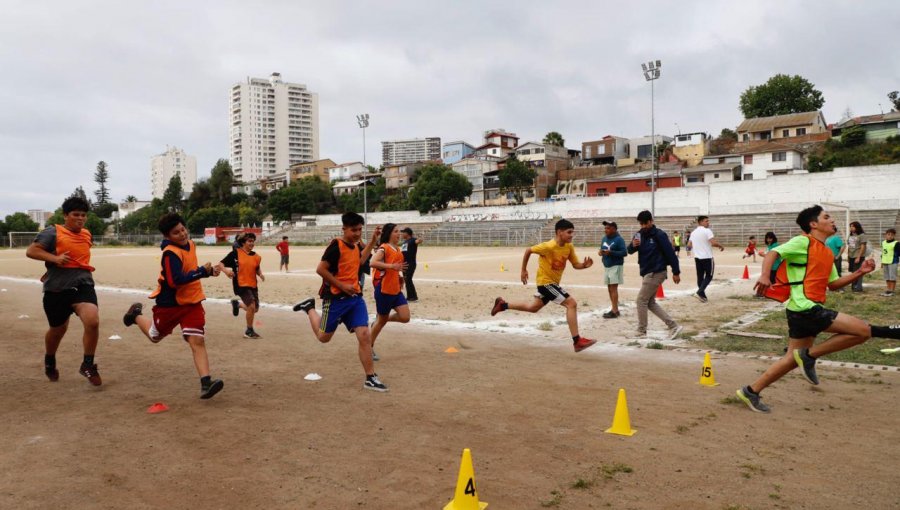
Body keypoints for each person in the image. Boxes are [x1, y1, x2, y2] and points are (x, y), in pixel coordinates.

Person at [737, 205, 900, 413]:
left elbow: (833, 284)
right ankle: (810, 356)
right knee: (862, 331)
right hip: (805, 308)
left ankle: (751, 391)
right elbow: (774, 253)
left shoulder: (825, 252)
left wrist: (859, 272)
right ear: (814, 224)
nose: (832, 220)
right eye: (827, 217)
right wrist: (765, 275)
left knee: (790, 359)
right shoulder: (803, 241)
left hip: (804, 310)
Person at [122, 213, 224, 399]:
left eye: (183, 229)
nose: (182, 234)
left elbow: (189, 271)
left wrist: (208, 272)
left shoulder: (191, 244)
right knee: (154, 336)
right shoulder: (170, 254)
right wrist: (202, 272)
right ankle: (135, 315)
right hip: (170, 304)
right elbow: (174, 281)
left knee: (197, 340)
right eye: (176, 233)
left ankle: (206, 383)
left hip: (192, 302)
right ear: (167, 236)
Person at [292, 213, 387, 392]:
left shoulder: (356, 244)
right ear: (344, 229)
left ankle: (370, 377)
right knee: (323, 338)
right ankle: (309, 308)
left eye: (360, 230)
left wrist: (373, 240)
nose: (357, 233)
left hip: (355, 299)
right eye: (353, 230)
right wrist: (342, 285)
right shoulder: (336, 246)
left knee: (365, 335)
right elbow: (320, 269)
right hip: (335, 299)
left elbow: (360, 261)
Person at [25, 196, 102, 386]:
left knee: (92, 321)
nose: (80, 218)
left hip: (83, 284)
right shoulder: (52, 232)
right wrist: (55, 258)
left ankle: (88, 365)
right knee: (58, 330)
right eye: (76, 214)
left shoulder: (86, 234)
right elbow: (31, 251)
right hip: (56, 289)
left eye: (84, 215)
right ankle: (50, 360)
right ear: (65, 215)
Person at [491, 219, 597, 352]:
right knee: (571, 304)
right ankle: (577, 341)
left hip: (552, 284)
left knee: (533, 307)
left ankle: (502, 305)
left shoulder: (569, 247)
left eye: (572, 232)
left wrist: (584, 265)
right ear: (559, 232)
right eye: (569, 232)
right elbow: (528, 250)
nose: (571, 235)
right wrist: (523, 270)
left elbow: (576, 265)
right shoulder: (548, 246)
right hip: (545, 283)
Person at [627, 210, 683, 340]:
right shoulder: (639, 235)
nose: (643, 226)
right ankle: (673, 326)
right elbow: (629, 251)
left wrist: (676, 272)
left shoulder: (659, 235)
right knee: (650, 302)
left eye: (645, 223)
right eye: (641, 224)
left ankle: (642, 330)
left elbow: (670, 253)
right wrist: (632, 245)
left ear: (651, 221)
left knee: (641, 300)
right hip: (646, 272)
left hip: (657, 271)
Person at [368, 223, 410, 361]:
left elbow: (397, 268)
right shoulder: (384, 248)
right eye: (396, 231)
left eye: (399, 231)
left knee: (405, 317)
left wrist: (400, 278)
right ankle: (369, 347)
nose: (399, 234)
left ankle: (379, 319)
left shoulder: (397, 249)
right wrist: (392, 266)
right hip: (384, 289)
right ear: (389, 233)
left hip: (395, 289)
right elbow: (372, 263)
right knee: (382, 322)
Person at [220, 232, 265, 339]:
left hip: (252, 284)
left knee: (255, 309)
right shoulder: (235, 254)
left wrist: (260, 274)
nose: (252, 243)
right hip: (240, 284)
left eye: (253, 241)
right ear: (243, 242)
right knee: (252, 306)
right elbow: (221, 264)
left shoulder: (256, 256)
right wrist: (226, 271)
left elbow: (256, 267)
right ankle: (249, 331)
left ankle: (237, 305)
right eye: (249, 241)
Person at [687, 215, 724, 303]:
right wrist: (720, 246)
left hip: (697, 257)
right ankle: (699, 292)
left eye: (708, 221)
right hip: (707, 257)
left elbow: (689, 245)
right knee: (709, 276)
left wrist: (697, 247)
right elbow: (713, 243)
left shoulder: (694, 232)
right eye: (706, 221)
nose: (708, 222)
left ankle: (702, 296)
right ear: (700, 222)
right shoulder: (707, 231)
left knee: (700, 277)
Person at [598, 220, 627, 319]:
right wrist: (601, 253)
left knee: (613, 288)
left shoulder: (619, 239)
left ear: (614, 229)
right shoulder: (604, 239)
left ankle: (615, 310)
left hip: (616, 265)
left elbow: (624, 253)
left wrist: (611, 253)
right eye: (605, 228)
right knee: (609, 288)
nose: (606, 230)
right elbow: (602, 249)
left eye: (608, 228)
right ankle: (614, 309)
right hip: (607, 266)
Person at [400, 227, 423, 302]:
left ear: (407, 233)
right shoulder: (404, 242)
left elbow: (418, 241)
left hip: (410, 263)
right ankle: (409, 296)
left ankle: (413, 296)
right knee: (406, 280)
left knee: (408, 279)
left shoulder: (412, 240)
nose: (402, 234)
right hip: (404, 263)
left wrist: (420, 240)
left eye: (403, 232)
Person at [846, 221, 868, 292]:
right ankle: (853, 287)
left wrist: (858, 257)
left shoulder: (862, 235)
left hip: (858, 256)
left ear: (857, 227)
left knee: (858, 272)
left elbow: (863, 247)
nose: (851, 228)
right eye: (850, 226)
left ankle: (858, 288)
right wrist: (848, 256)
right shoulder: (850, 236)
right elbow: (849, 246)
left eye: (853, 226)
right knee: (853, 272)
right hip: (851, 256)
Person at [880, 228, 898, 297]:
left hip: (893, 262)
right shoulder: (883, 243)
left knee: (892, 277)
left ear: (894, 236)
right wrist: (882, 262)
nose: (890, 236)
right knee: (887, 277)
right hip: (885, 262)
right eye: (888, 234)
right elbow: (883, 253)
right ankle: (888, 289)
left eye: (892, 235)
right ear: (886, 235)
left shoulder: (896, 243)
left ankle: (892, 291)